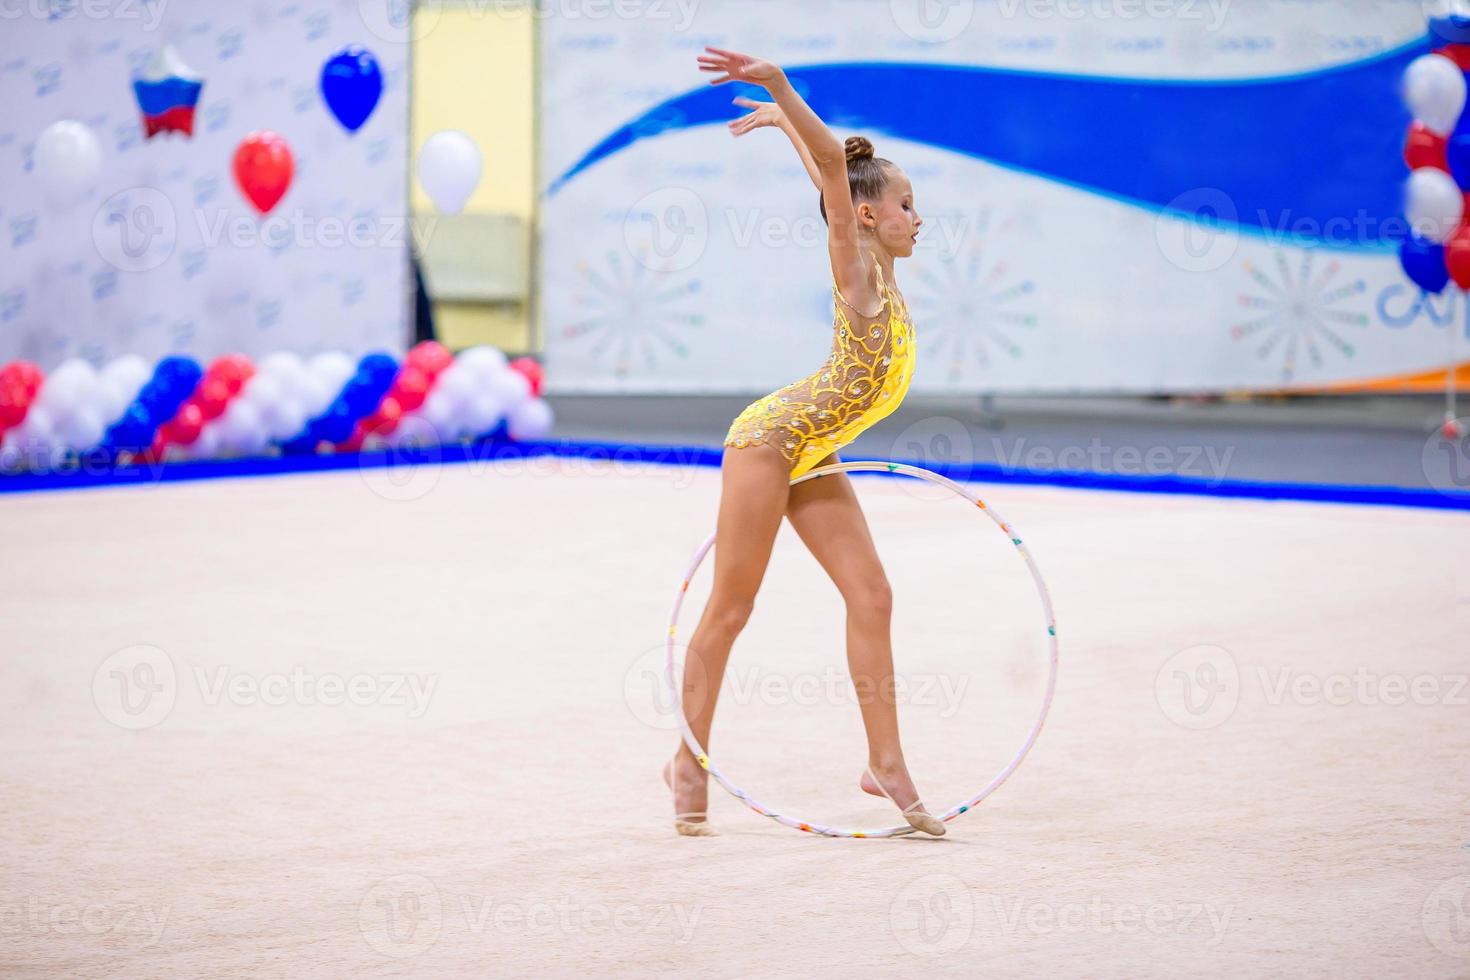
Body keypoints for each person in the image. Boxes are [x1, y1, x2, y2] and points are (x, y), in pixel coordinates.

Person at [662, 46, 940, 837]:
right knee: (731, 609)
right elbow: (832, 174)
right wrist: (781, 87)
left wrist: (787, 124)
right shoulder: (856, 274)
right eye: (908, 205)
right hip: (769, 442)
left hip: (814, 449)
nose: (919, 218)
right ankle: (686, 758)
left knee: (873, 594)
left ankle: (883, 762)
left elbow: (833, 171)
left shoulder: (887, 277)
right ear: (866, 219)